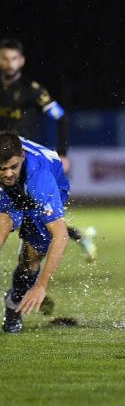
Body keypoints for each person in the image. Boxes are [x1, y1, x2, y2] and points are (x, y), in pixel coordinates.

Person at [0, 39, 96, 261]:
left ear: (22, 61)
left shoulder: (33, 91)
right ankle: (79, 236)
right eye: (5, 58)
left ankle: (75, 237)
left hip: (23, 163)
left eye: (14, 58)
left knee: (36, 215)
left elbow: (60, 117)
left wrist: (62, 152)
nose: (9, 63)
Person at [1, 132, 70, 333]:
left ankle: (14, 304)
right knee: (2, 224)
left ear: (22, 157)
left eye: (13, 167)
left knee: (29, 262)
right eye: (2, 168)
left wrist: (41, 286)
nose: (8, 174)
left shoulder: (40, 179)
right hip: (8, 193)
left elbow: (61, 235)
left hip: (45, 193)